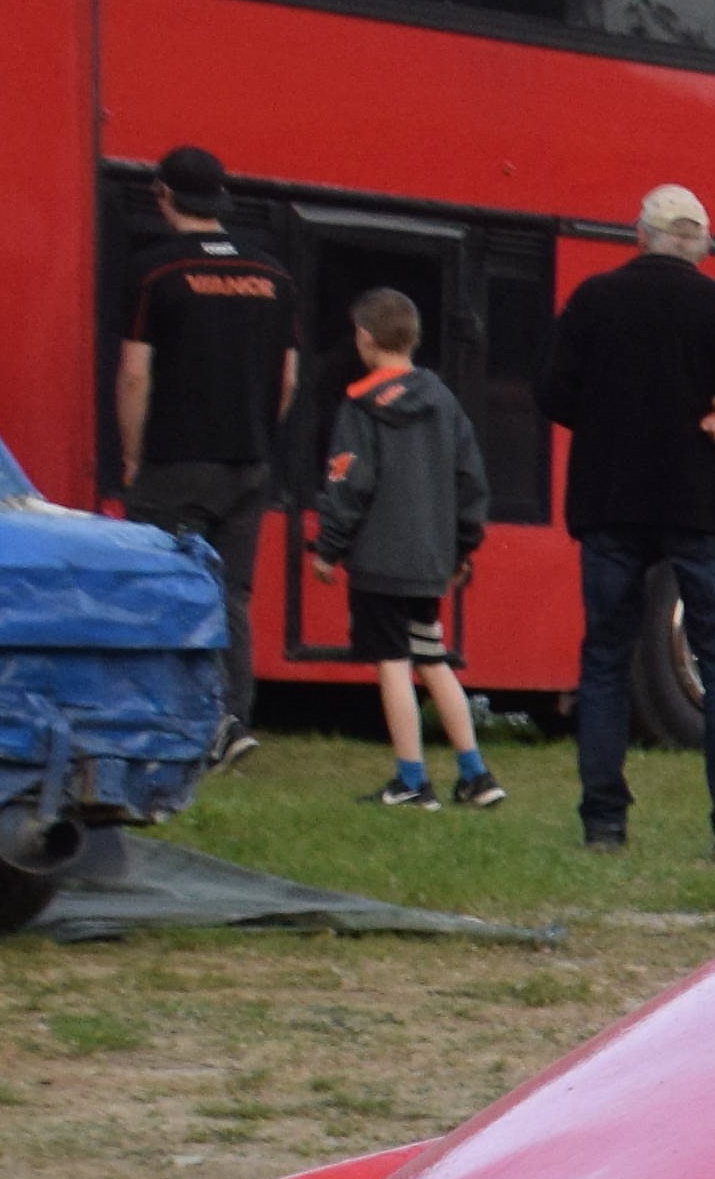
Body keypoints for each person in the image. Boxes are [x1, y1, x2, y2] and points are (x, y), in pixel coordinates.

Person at [536, 182, 715, 861]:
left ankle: (604, 823)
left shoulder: (595, 300)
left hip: (611, 501)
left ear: (640, 237)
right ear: (704, 246)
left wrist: (604, 423)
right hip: (699, 503)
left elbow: (550, 391)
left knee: (606, 658)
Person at [114, 147, 295, 749]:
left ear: (163, 194)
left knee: (159, 583)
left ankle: (167, 718)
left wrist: (133, 456)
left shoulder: (155, 271)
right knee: (232, 594)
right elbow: (288, 379)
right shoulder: (273, 275)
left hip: (175, 460)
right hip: (249, 461)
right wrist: (256, 433)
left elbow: (135, 374)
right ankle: (233, 719)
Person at [307, 289, 497, 810]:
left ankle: (412, 780)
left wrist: (328, 549)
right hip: (430, 561)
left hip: (379, 563)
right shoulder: (444, 401)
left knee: (392, 663)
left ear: (365, 339)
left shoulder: (360, 406)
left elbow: (348, 482)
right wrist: (461, 550)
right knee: (433, 659)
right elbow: (471, 481)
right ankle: (476, 775)